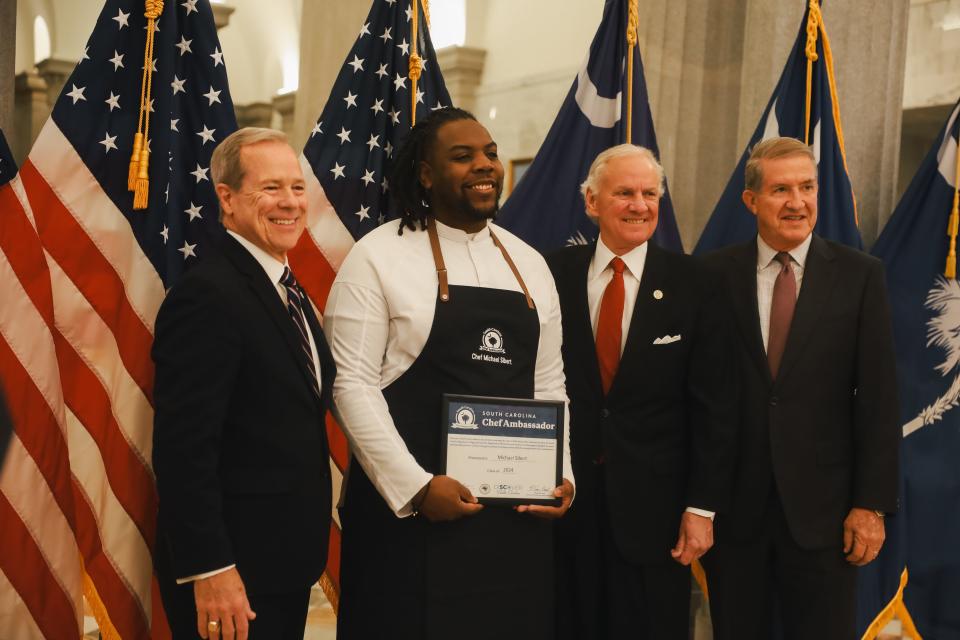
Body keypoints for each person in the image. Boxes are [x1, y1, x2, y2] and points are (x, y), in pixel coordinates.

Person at [324, 107, 574, 640]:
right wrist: (416, 489)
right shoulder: (377, 256)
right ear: (426, 173)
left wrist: (560, 473)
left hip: (513, 523)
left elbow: (549, 384)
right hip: (411, 521)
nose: (484, 166)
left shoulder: (529, 262)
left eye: (490, 154)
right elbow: (351, 384)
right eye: (462, 157)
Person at [701, 136, 899, 639]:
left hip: (826, 518)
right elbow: (698, 397)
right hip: (735, 514)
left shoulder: (860, 276)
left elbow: (878, 399)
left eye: (807, 187)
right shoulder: (710, 275)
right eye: (781, 189)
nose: (797, 202)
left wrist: (870, 505)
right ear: (751, 201)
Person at [547, 144, 738, 639]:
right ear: (591, 202)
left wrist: (702, 508)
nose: (639, 205)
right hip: (565, 508)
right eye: (625, 193)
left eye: (650, 194)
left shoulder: (696, 283)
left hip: (658, 518)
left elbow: (716, 408)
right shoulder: (550, 274)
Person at [152, 128, 335, 640]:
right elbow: (183, 449)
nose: (290, 203)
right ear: (227, 198)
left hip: (282, 566)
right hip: (233, 575)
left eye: (297, 188)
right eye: (270, 188)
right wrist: (210, 569)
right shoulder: (208, 296)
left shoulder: (284, 289)